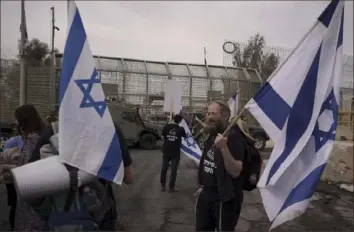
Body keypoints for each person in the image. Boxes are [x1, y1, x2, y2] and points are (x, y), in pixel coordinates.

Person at [195, 100, 246, 231]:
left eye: (213, 113)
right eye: (208, 113)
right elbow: (207, 160)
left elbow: (235, 171)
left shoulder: (234, 136)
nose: (209, 117)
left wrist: (224, 148)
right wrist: (203, 185)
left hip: (224, 198)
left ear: (225, 115)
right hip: (206, 194)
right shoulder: (213, 132)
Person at [2, 135, 24, 231]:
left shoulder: (14, 140)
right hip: (13, 177)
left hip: (12, 177)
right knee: (15, 204)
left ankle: (13, 226)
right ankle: (13, 226)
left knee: (15, 203)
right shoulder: (16, 140)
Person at [160, 114, 186, 192]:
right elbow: (185, 136)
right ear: (180, 121)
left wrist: (167, 138)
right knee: (174, 170)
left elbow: (162, 137)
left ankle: (162, 186)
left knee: (164, 168)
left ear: (173, 119)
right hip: (175, 152)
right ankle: (171, 187)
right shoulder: (181, 129)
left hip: (166, 151)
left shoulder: (166, 126)